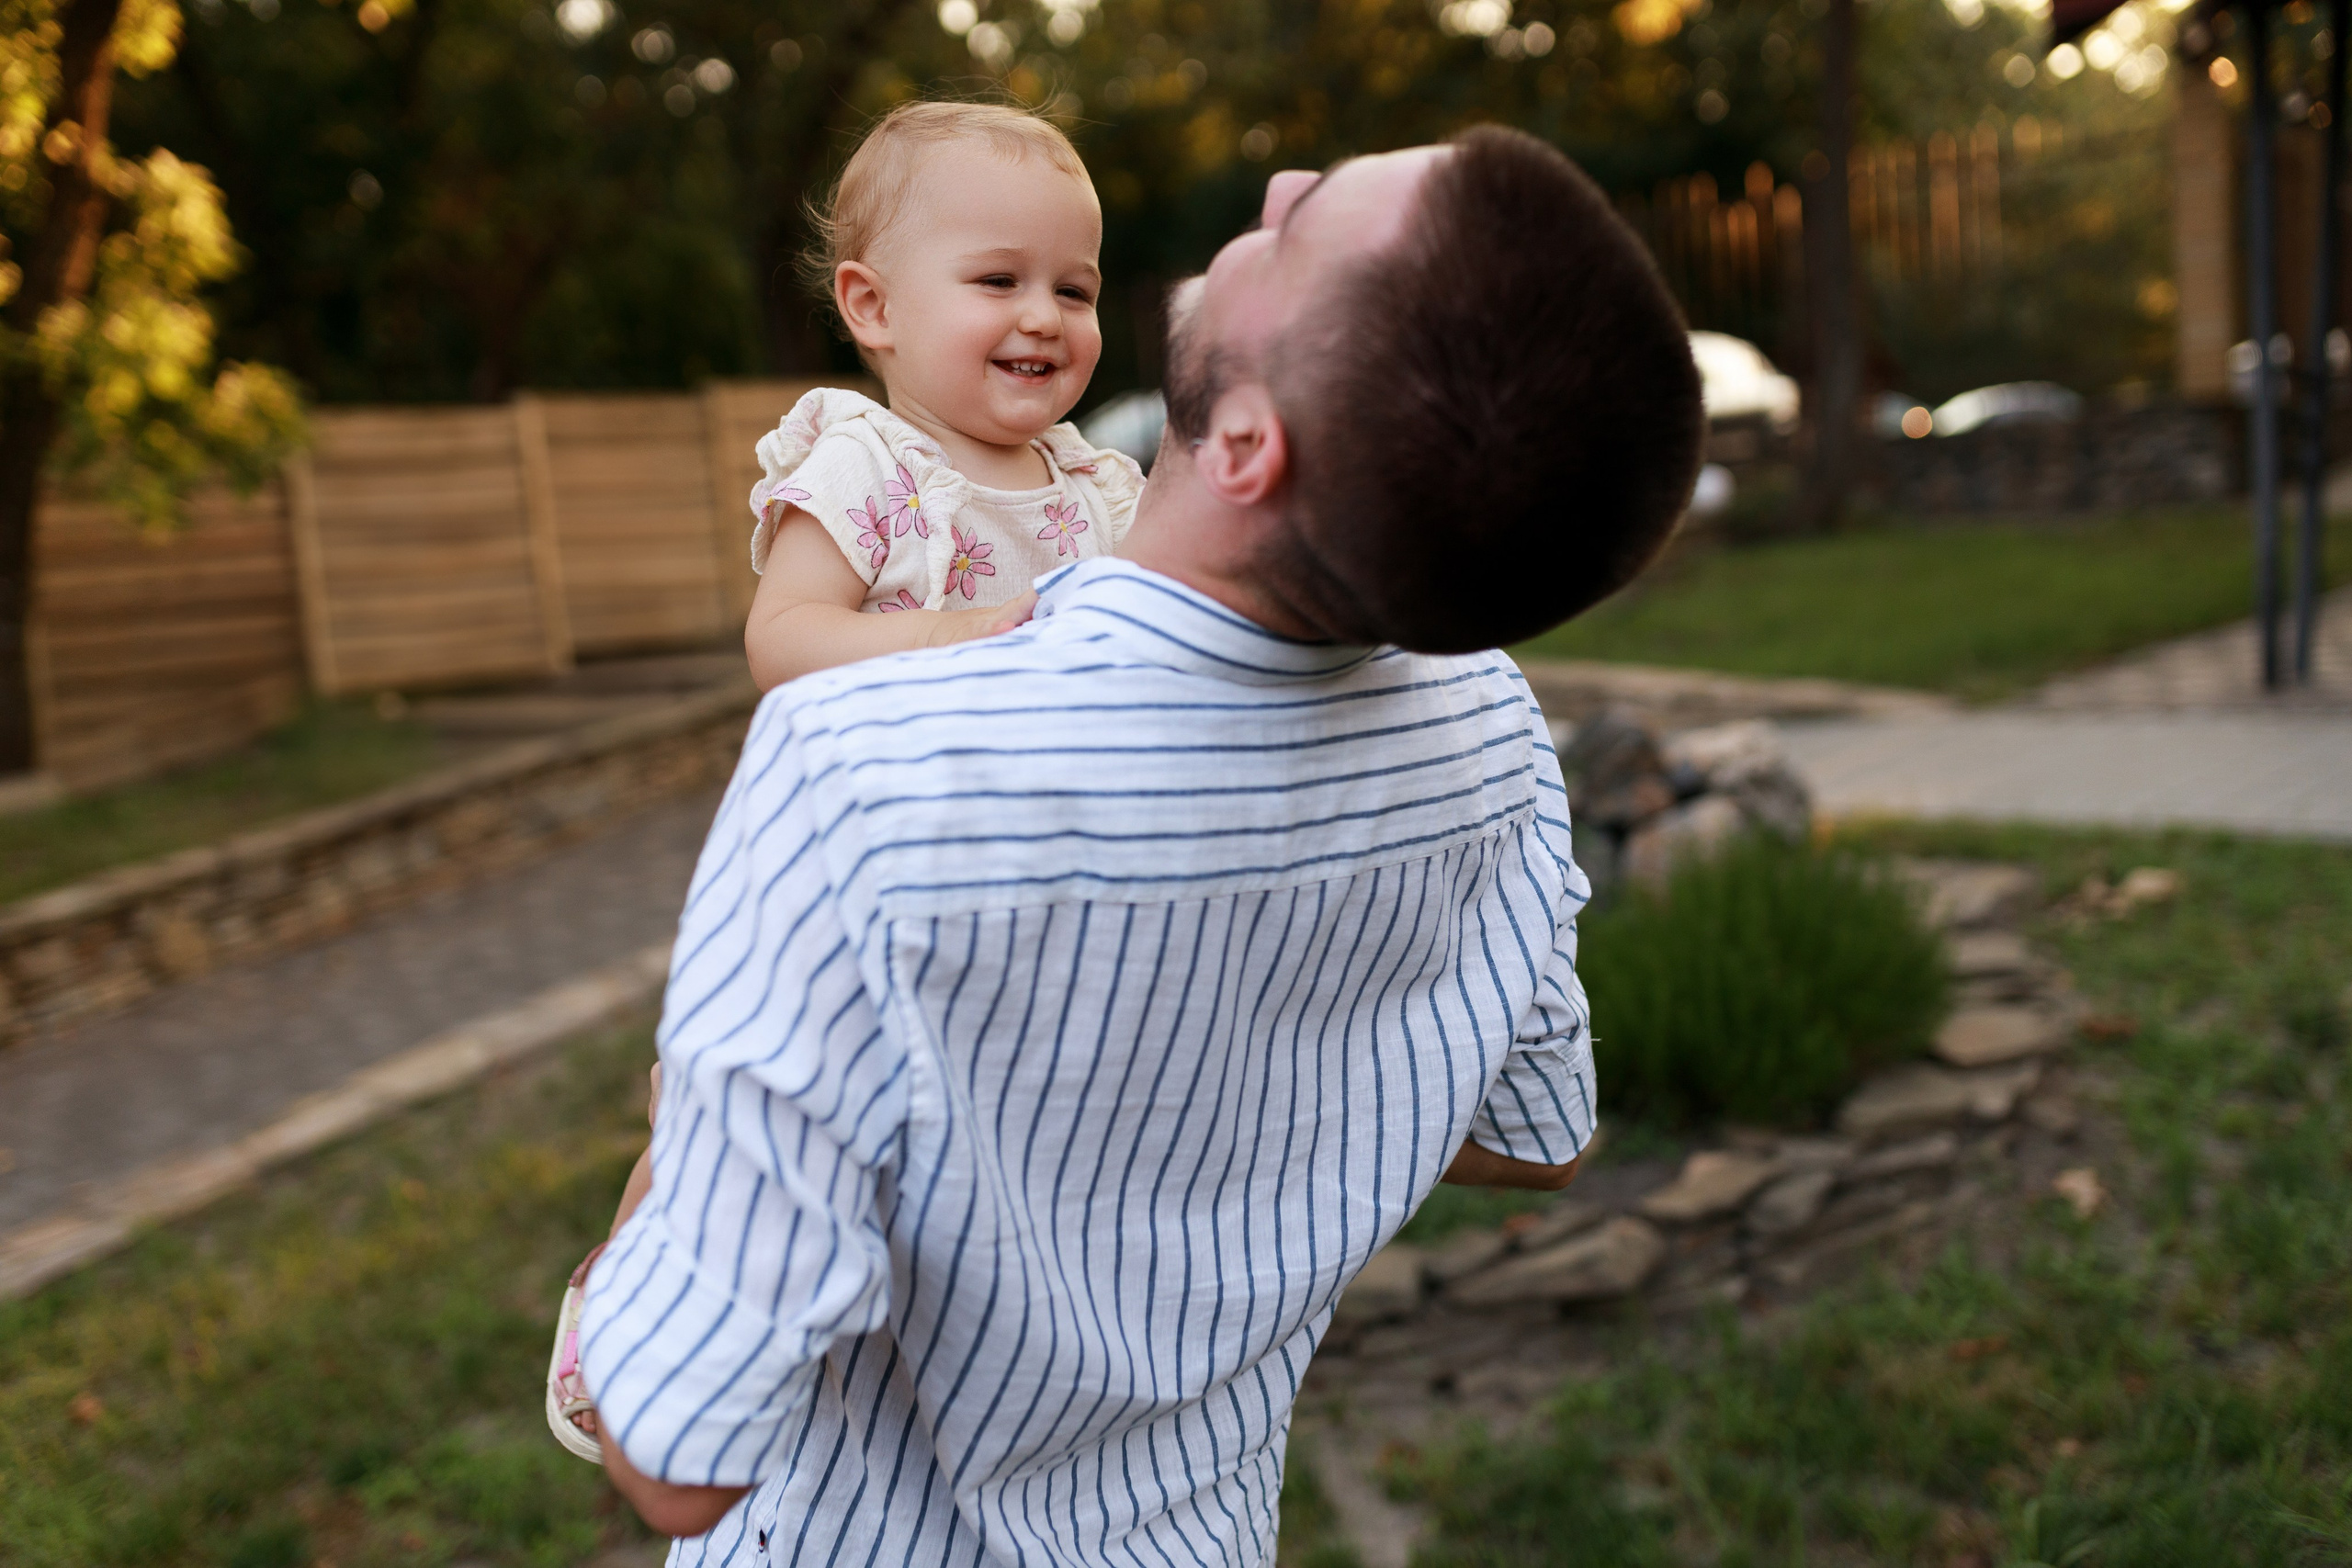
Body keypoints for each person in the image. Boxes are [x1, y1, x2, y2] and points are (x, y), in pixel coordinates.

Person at [573, 125, 1703, 1564]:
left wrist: (711, 1139)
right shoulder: (1488, 732)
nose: (1280, 185)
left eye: (1304, 229)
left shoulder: (864, 771)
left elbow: (675, 1461)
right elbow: (1536, 1138)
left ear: (1246, 443)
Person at [740, 99, 1141, 690]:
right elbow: (779, 640)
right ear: (876, 307)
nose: (1046, 318)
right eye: (999, 281)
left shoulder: (1099, 490)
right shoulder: (863, 470)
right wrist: (938, 635)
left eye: (1073, 291)